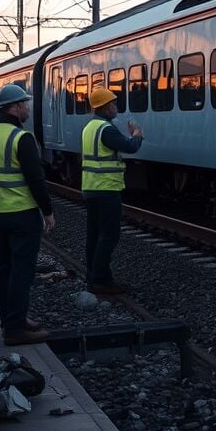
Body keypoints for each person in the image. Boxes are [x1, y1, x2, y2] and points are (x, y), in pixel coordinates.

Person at [0, 84, 55, 345]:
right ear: (17, 106)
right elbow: (36, 179)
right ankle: (15, 330)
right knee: (22, 271)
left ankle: (11, 320)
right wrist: (48, 211)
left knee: (6, 268)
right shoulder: (21, 138)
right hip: (22, 212)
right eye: (25, 104)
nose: (28, 109)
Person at [81, 87, 144, 295]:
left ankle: (94, 276)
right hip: (106, 189)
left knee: (94, 235)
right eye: (114, 104)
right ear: (106, 107)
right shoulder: (106, 129)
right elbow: (130, 147)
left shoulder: (90, 127)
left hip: (91, 188)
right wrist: (137, 135)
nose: (116, 107)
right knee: (109, 235)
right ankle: (100, 280)